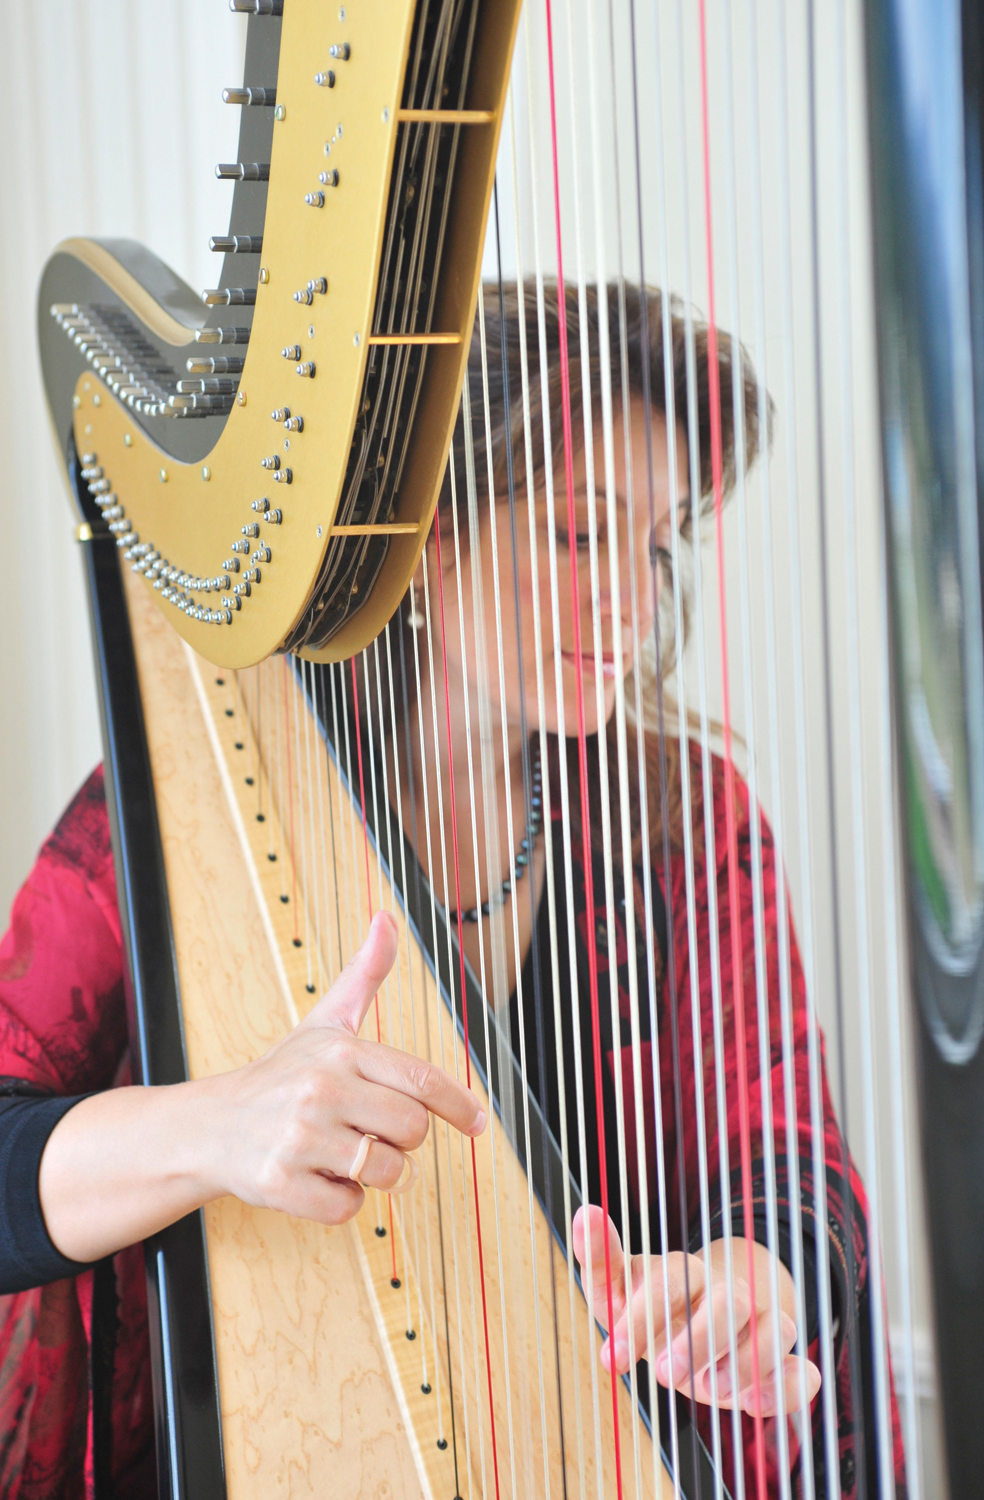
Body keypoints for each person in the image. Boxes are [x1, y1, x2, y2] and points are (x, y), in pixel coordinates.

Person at [379, 280, 906, 1498]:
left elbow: (787, 1143)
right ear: (433, 526)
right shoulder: (190, 791)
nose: (629, 594)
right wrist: (213, 1128)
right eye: (580, 533)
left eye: (657, 542)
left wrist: (749, 1275)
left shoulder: (690, 817)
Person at [0, 769, 485, 1497]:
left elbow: (718, 1191)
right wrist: (219, 1125)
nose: (623, 644)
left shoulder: (685, 815)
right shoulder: (169, 790)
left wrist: (719, 1261)